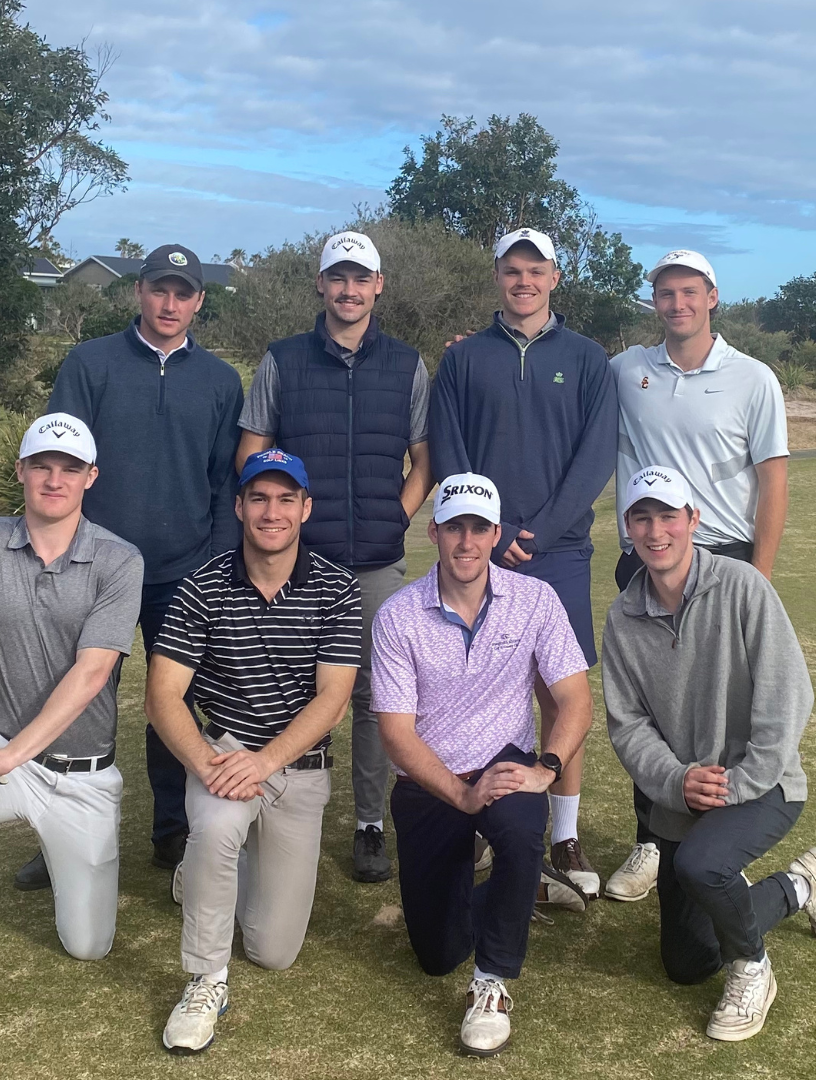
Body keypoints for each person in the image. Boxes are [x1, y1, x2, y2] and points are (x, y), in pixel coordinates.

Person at [0, 414, 143, 1058]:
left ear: (91, 478)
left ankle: (56, 851)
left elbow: (93, 672)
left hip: (82, 772)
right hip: (2, 756)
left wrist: (9, 753)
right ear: (21, 471)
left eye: (70, 469)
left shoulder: (120, 559)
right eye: (42, 465)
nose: (54, 479)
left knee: (88, 945)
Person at [601, 466, 816, 1043]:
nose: (656, 531)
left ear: (693, 520)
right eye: (642, 517)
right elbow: (628, 725)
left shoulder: (742, 585)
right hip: (684, 793)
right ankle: (802, 885)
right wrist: (679, 780)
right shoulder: (621, 619)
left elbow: (788, 695)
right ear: (628, 528)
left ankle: (753, 968)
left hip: (765, 784)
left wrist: (737, 784)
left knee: (700, 865)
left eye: (668, 516)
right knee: (686, 963)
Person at [35, 244, 243, 885]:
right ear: (139, 292)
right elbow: (60, 464)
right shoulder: (90, 363)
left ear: (199, 301)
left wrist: (211, 562)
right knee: (75, 696)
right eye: (159, 289)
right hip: (94, 564)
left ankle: (172, 832)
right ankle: (55, 831)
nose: (170, 303)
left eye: (183, 293)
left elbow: (222, 484)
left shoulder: (220, 381)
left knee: (171, 701)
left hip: (182, 570)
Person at [372, 473, 594, 1057]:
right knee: (436, 954)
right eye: (453, 528)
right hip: (430, 778)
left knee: (522, 830)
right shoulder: (397, 616)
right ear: (433, 533)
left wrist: (546, 768)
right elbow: (396, 733)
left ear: (496, 534)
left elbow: (575, 700)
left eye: (478, 528)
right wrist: (461, 795)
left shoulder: (535, 600)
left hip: (506, 761)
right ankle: (529, 893)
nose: (466, 543)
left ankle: (492, 983)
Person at [235, 230, 432, 884]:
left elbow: (423, 459)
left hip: (376, 562)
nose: (349, 290)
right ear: (320, 285)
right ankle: (283, 808)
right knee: (295, 690)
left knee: (378, 696)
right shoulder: (283, 360)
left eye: (361, 278)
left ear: (378, 287)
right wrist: (278, 525)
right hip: (300, 563)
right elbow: (252, 453)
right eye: (337, 278)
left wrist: (395, 514)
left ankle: (370, 823)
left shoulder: (406, 365)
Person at [148, 450, 361, 1054]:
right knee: (216, 827)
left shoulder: (337, 588)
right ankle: (204, 980)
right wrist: (211, 765)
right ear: (239, 506)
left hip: (296, 768)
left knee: (274, 951)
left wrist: (265, 764)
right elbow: (162, 697)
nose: (273, 512)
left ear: (306, 508)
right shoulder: (202, 585)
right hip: (225, 752)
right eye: (259, 499)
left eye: (286, 499)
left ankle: (207, 870)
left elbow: (333, 700)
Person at [427, 227, 617, 900]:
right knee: (471, 685)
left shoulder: (589, 359)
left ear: (555, 279)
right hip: (479, 552)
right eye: (513, 270)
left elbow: (595, 457)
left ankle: (561, 833)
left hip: (557, 554)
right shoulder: (464, 358)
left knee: (557, 691)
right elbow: (448, 449)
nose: (524, 281)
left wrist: (539, 532)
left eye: (536, 271)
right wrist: (489, 532)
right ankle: (481, 818)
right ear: (499, 277)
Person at [600, 249, 791, 905]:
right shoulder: (627, 370)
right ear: (653, 302)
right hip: (647, 550)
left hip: (725, 557)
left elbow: (773, 481)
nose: (676, 304)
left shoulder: (753, 378)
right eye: (664, 293)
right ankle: (653, 839)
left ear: (712, 297)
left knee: (720, 706)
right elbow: (554, 380)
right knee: (652, 701)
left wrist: (756, 581)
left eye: (689, 292)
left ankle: (721, 840)